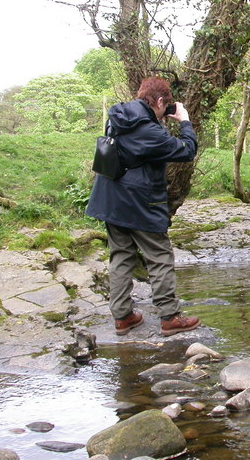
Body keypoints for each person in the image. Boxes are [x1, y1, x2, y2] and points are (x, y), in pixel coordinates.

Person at [86, 77, 201, 337]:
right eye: (166, 105)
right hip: (138, 201)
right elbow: (186, 150)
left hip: (110, 198)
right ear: (159, 101)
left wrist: (161, 120)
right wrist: (184, 122)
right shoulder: (149, 131)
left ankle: (123, 317)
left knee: (121, 256)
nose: (166, 109)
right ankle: (170, 317)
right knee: (159, 256)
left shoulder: (118, 117)